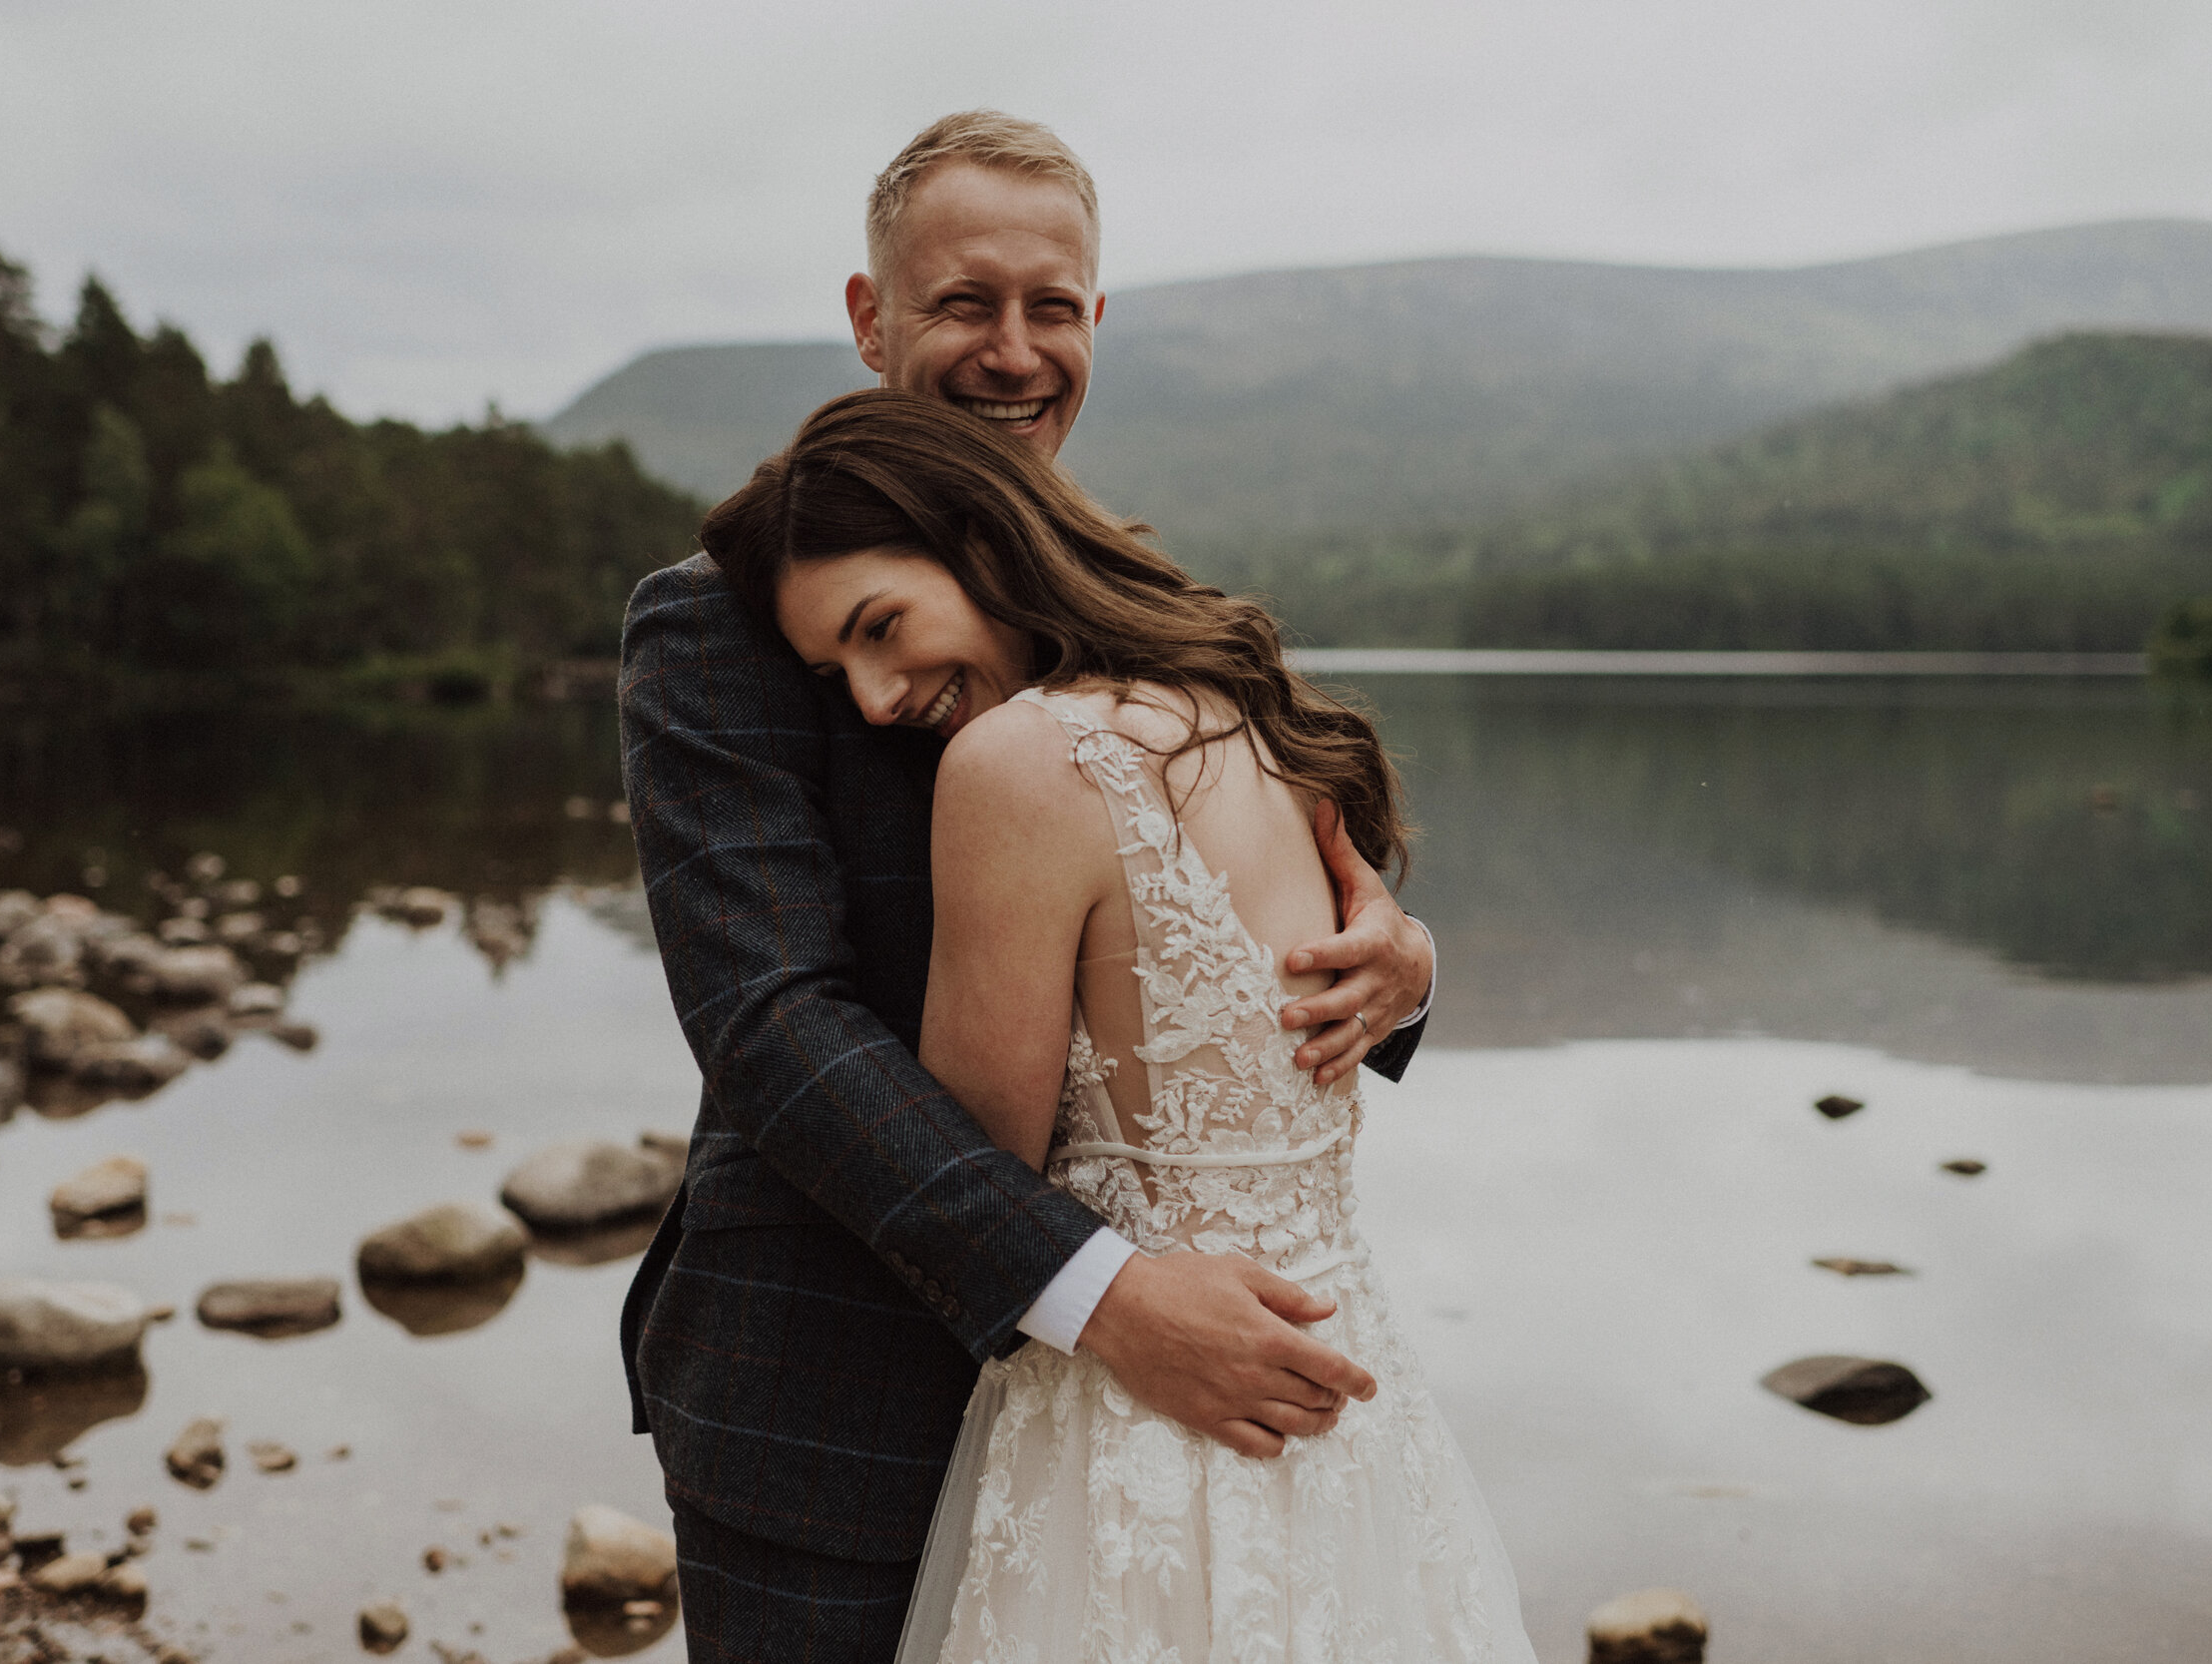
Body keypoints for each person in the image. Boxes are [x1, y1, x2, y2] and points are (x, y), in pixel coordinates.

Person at [618, 111, 1441, 1661]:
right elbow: (775, 1021)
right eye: (962, 304)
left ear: (1094, 325)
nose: (1013, 352)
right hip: (834, 1404)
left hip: (1147, 1439)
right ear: (870, 321)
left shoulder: (1148, 614)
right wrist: (1106, 1295)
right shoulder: (723, 621)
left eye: (1049, 307)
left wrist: (1396, 967)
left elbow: (1268, 920)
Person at [697, 387, 1536, 1663]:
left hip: (1135, 1430)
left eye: (882, 628)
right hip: (1336, 1404)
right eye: (833, 671)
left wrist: (1408, 970)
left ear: (979, 543)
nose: (870, 699)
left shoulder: (1015, 760)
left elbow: (980, 1137)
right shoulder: (1246, 709)